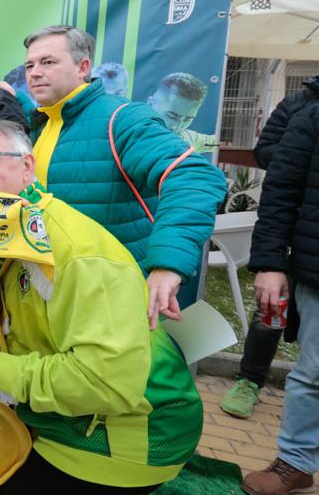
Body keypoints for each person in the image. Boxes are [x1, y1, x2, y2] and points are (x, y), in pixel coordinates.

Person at [0, 120, 203, 495]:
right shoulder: (11, 237)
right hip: (72, 414)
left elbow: (107, 383)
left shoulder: (75, 253)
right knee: (3, 490)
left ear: (27, 167)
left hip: (135, 432)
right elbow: (30, 335)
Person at [23, 25, 226, 327]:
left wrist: (167, 265)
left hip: (110, 299)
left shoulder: (122, 118)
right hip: (54, 295)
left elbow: (195, 177)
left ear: (83, 67)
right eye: (30, 65)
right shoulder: (39, 124)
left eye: (48, 62)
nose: (35, 72)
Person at [221, 74, 319, 419]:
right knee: (271, 311)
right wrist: (300, 148)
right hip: (292, 236)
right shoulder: (299, 105)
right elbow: (265, 152)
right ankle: (250, 380)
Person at [241, 102, 319, 495]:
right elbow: (280, 193)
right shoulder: (310, 114)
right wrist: (271, 263)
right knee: (313, 373)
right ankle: (296, 462)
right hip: (315, 268)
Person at [147, 72, 216, 153]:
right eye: (172, 116)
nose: (177, 127)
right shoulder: (130, 135)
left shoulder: (188, 139)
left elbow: (215, 143)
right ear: (150, 104)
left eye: (187, 119)